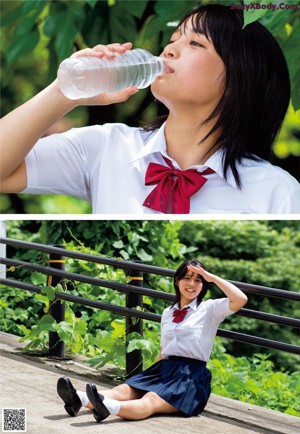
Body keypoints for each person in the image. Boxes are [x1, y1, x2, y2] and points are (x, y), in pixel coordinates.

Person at [1, 4, 299, 214]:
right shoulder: (107, 147)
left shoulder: (277, 193)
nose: (168, 50)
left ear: (240, 77)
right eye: (172, 40)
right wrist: (64, 93)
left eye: (195, 43)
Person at [57, 259, 248, 422]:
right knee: (124, 390)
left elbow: (240, 299)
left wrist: (212, 277)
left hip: (191, 376)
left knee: (150, 400)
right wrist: (154, 374)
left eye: (198, 281)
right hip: (164, 368)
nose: (192, 284)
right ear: (177, 280)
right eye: (187, 278)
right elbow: (164, 348)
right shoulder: (168, 312)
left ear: (204, 285)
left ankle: (106, 407)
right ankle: (79, 399)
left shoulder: (210, 309)